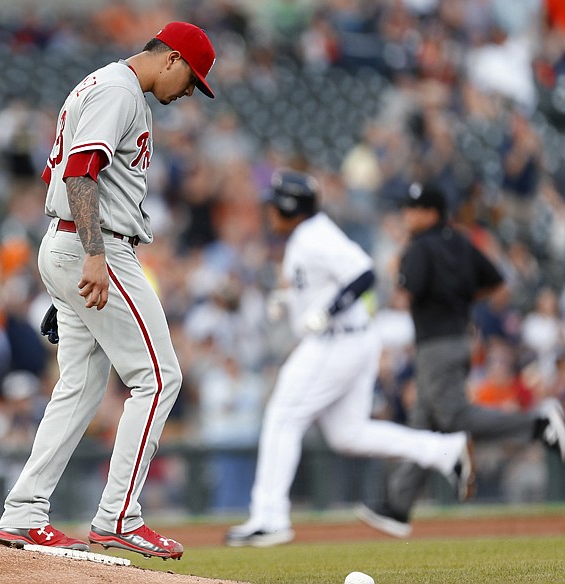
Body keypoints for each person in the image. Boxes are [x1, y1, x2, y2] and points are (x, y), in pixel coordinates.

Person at [0, 22, 217, 560]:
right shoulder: (118, 89)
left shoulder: (106, 87)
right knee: (160, 379)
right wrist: (92, 255)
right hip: (93, 245)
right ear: (171, 59)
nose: (190, 92)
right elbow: (80, 172)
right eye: (192, 79)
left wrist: (72, 270)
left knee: (80, 386)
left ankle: (24, 513)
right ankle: (120, 516)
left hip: (72, 245)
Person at [225, 170, 476, 548]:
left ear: (291, 207)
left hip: (336, 341)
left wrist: (326, 311)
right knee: (348, 434)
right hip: (350, 341)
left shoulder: (315, 236)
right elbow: (322, 283)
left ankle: (270, 517)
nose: (270, 211)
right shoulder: (307, 235)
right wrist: (290, 301)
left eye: (275, 205)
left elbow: (364, 274)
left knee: (283, 417)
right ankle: (444, 451)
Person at [356, 183, 565, 539]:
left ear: (431, 213)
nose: (407, 214)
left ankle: (537, 425)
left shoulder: (419, 247)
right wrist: (462, 300)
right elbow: (499, 283)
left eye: (414, 209)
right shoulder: (462, 242)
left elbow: (407, 292)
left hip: (435, 344)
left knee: (453, 417)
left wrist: (398, 267)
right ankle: (397, 506)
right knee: (423, 420)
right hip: (458, 337)